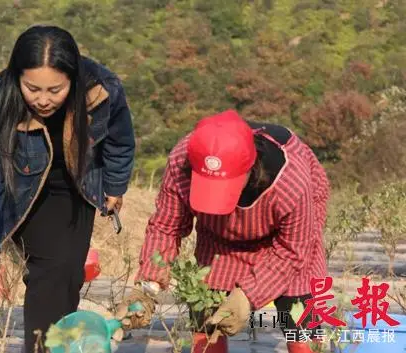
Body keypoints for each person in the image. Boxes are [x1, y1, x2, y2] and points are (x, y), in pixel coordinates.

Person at [0, 25, 135, 353]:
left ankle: (60, 345)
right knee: (51, 272)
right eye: (32, 88)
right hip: (22, 183)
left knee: (69, 272)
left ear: (74, 79)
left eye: (55, 90)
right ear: (17, 78)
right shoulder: (0, 99)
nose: (42, 100)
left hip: (75, 184)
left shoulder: (101, 89)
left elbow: (120, 142)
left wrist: (114, 186)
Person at [115, 110, 330, 353]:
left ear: (250, 168)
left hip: (284, 245)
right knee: (207, 321)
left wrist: (248, 294)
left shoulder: (291, 183)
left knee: (300, 324)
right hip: (218, 239)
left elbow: (293, 250)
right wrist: (147, 288)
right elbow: (167, 226)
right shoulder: (182, 161)